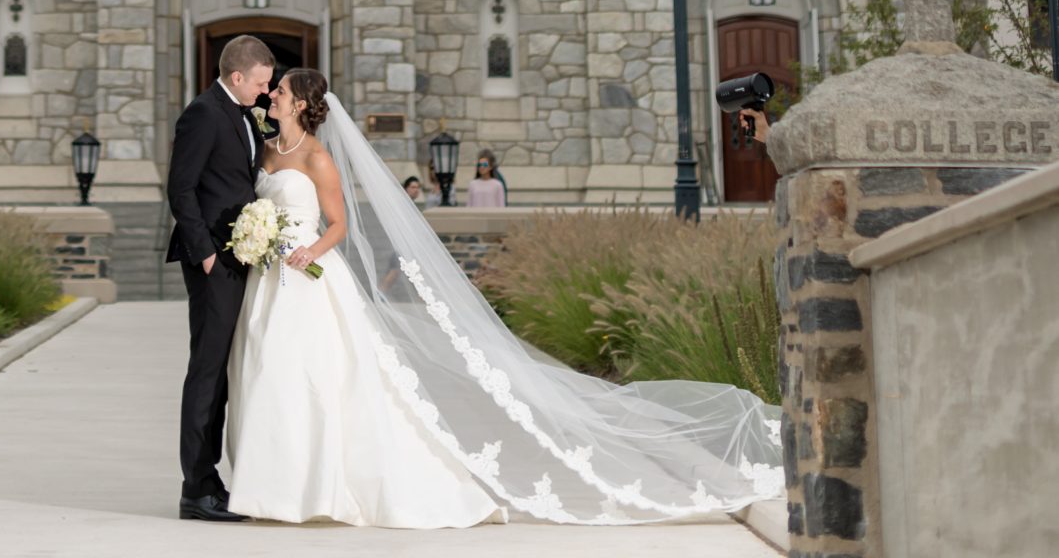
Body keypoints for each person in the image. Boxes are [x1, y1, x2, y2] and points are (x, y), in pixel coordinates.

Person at [217, 66, 783, 529]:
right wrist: (257, 235)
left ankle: (317, 485)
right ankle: (270, 486)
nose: (273, 94)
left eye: (282, 89)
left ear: (301, 104)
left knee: (315, 380)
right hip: (268, 279)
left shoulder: (319, 157)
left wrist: (310, 251)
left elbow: (338, 223)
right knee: (267, 373)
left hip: (309, 278)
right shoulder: (266, 152)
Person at [164, 31, 275, 523]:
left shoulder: (243, 115)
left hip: (240, 258)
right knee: (207, 373)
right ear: (236, 76)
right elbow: (181, 188)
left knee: (224, 375)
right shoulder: (203, 113)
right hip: (214, 262)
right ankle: (197, 489)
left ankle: (214, 482)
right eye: (260, 83)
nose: (265, 92)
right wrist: (206, 254)